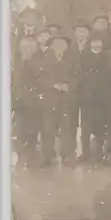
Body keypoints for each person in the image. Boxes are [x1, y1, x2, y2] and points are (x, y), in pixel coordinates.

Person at [31, 30, 80, 167]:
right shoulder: (44, 59)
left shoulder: (71, 59)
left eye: (62, 44)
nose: (59, 46)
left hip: (66, 99)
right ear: (51, 45)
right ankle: (46, 156)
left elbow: (77, 76)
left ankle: (67, 156)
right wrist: (53, 85)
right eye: (56, 44)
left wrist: (68, 86)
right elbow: (37, 78)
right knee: (47, 128)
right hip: (49, 99)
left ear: (66, 46)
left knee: (67, 128)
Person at [78, 32, 108, 163]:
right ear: (90, 43)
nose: (97, 44)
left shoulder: (106, 57)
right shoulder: (84, 57)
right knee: (86, 127)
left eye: (99, 41)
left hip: (102, 98)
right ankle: (85, 153)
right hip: (87, 98)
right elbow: (80, 76)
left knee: (101, 126)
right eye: (94, 41)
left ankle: (99, 152)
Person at [12, 36, 40, 168]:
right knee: (20, 128)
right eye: (25, 48)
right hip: (20, 100)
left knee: (33, 128)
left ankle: (31, 153)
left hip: (34, 100)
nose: (28, 50)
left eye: (31, 48)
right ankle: (20, 154)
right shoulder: (17, 62)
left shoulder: (38, 61)